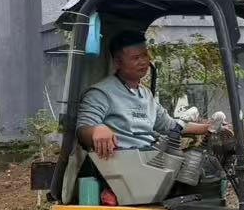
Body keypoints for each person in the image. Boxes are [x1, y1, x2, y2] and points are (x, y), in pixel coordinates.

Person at [76, 31, 212, 158]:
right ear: (118, 62)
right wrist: (96, 130)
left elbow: (169, 125)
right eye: (135, 58)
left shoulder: (146, 94)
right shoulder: (101, 93)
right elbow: (83, 130)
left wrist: (207, 128)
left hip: (149, 159)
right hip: (119, 163)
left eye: (145, 55)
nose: (143, 62)